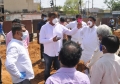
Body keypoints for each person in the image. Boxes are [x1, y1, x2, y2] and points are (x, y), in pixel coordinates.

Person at [40, 12, 82, 81]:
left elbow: (70, 32)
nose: (55, 19)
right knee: (47, 69)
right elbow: (41, 40)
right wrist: (51, 40)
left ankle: (59, 81)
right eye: (53, 17)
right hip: (48, 53)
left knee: (59, 69)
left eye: (56, 17)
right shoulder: (44, 27)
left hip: (58, 53)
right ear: (49, 18)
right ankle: (46, 81)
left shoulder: (60, 26)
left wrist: (77, 28)